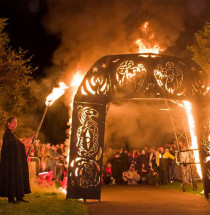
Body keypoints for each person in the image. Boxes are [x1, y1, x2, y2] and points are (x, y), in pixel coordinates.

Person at [0, 117, 35, 203]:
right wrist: (27, 146)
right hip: (10, 162)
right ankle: (11, 198)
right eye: (14, 123)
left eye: (16, 123)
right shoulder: (7, 134)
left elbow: (20, 143)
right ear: (9, 123)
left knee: (18, 177)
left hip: (15, 162)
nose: (15, 125)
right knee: (12, 178)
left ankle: (19, 196)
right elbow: (15, 146)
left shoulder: (12, 134)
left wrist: (31, 138)